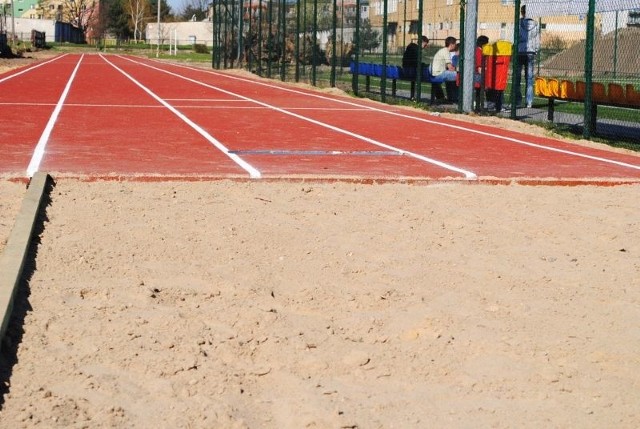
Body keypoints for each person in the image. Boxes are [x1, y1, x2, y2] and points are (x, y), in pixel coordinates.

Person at [515, 5, 540, 108]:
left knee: (517, 78)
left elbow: (515, 37)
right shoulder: (536, 24)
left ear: (522, 12)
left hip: (520, 51)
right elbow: (538, 39)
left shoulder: (519, 23)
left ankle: (518, 100)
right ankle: (529, 101)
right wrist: (536, 50)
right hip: (531, 53)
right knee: (529, 78)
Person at [431, 36, 458, 102]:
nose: (456, 46)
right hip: (438, 74)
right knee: (459, 76)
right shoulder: (446, 51)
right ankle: (456, 97)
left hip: (436, 73)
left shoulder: (442, 50)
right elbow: (450, 68)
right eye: (455, 44)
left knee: (452, 76)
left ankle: (452, 97)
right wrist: (458, 69)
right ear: (451, 44)